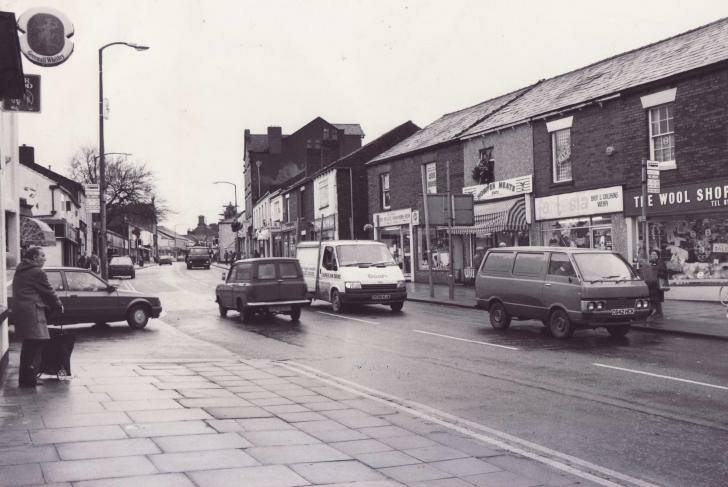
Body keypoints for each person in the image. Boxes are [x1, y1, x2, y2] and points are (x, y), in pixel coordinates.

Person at [12, 246, 64, 387]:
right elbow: (48, 291)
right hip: (32, 311)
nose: (45, 258)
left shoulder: (21, 269)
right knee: (35, 343)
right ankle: (28, 379)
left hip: (23, 311)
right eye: (42, 255)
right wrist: (58, 305)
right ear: (34, 257)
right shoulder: (36, 272)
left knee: (29, 344)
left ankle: (27, 378)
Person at [639, 249, 668, 319]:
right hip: (651, 284)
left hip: (657, 284)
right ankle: (655, 312)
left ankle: (658, 313)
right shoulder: (651, 262)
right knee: (653, 299)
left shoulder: (661, 263)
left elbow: (664, 273)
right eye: (652, 254)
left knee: (656, 299)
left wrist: (655, 270)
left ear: (658, 256)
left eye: (654, 254)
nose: (653, 255)